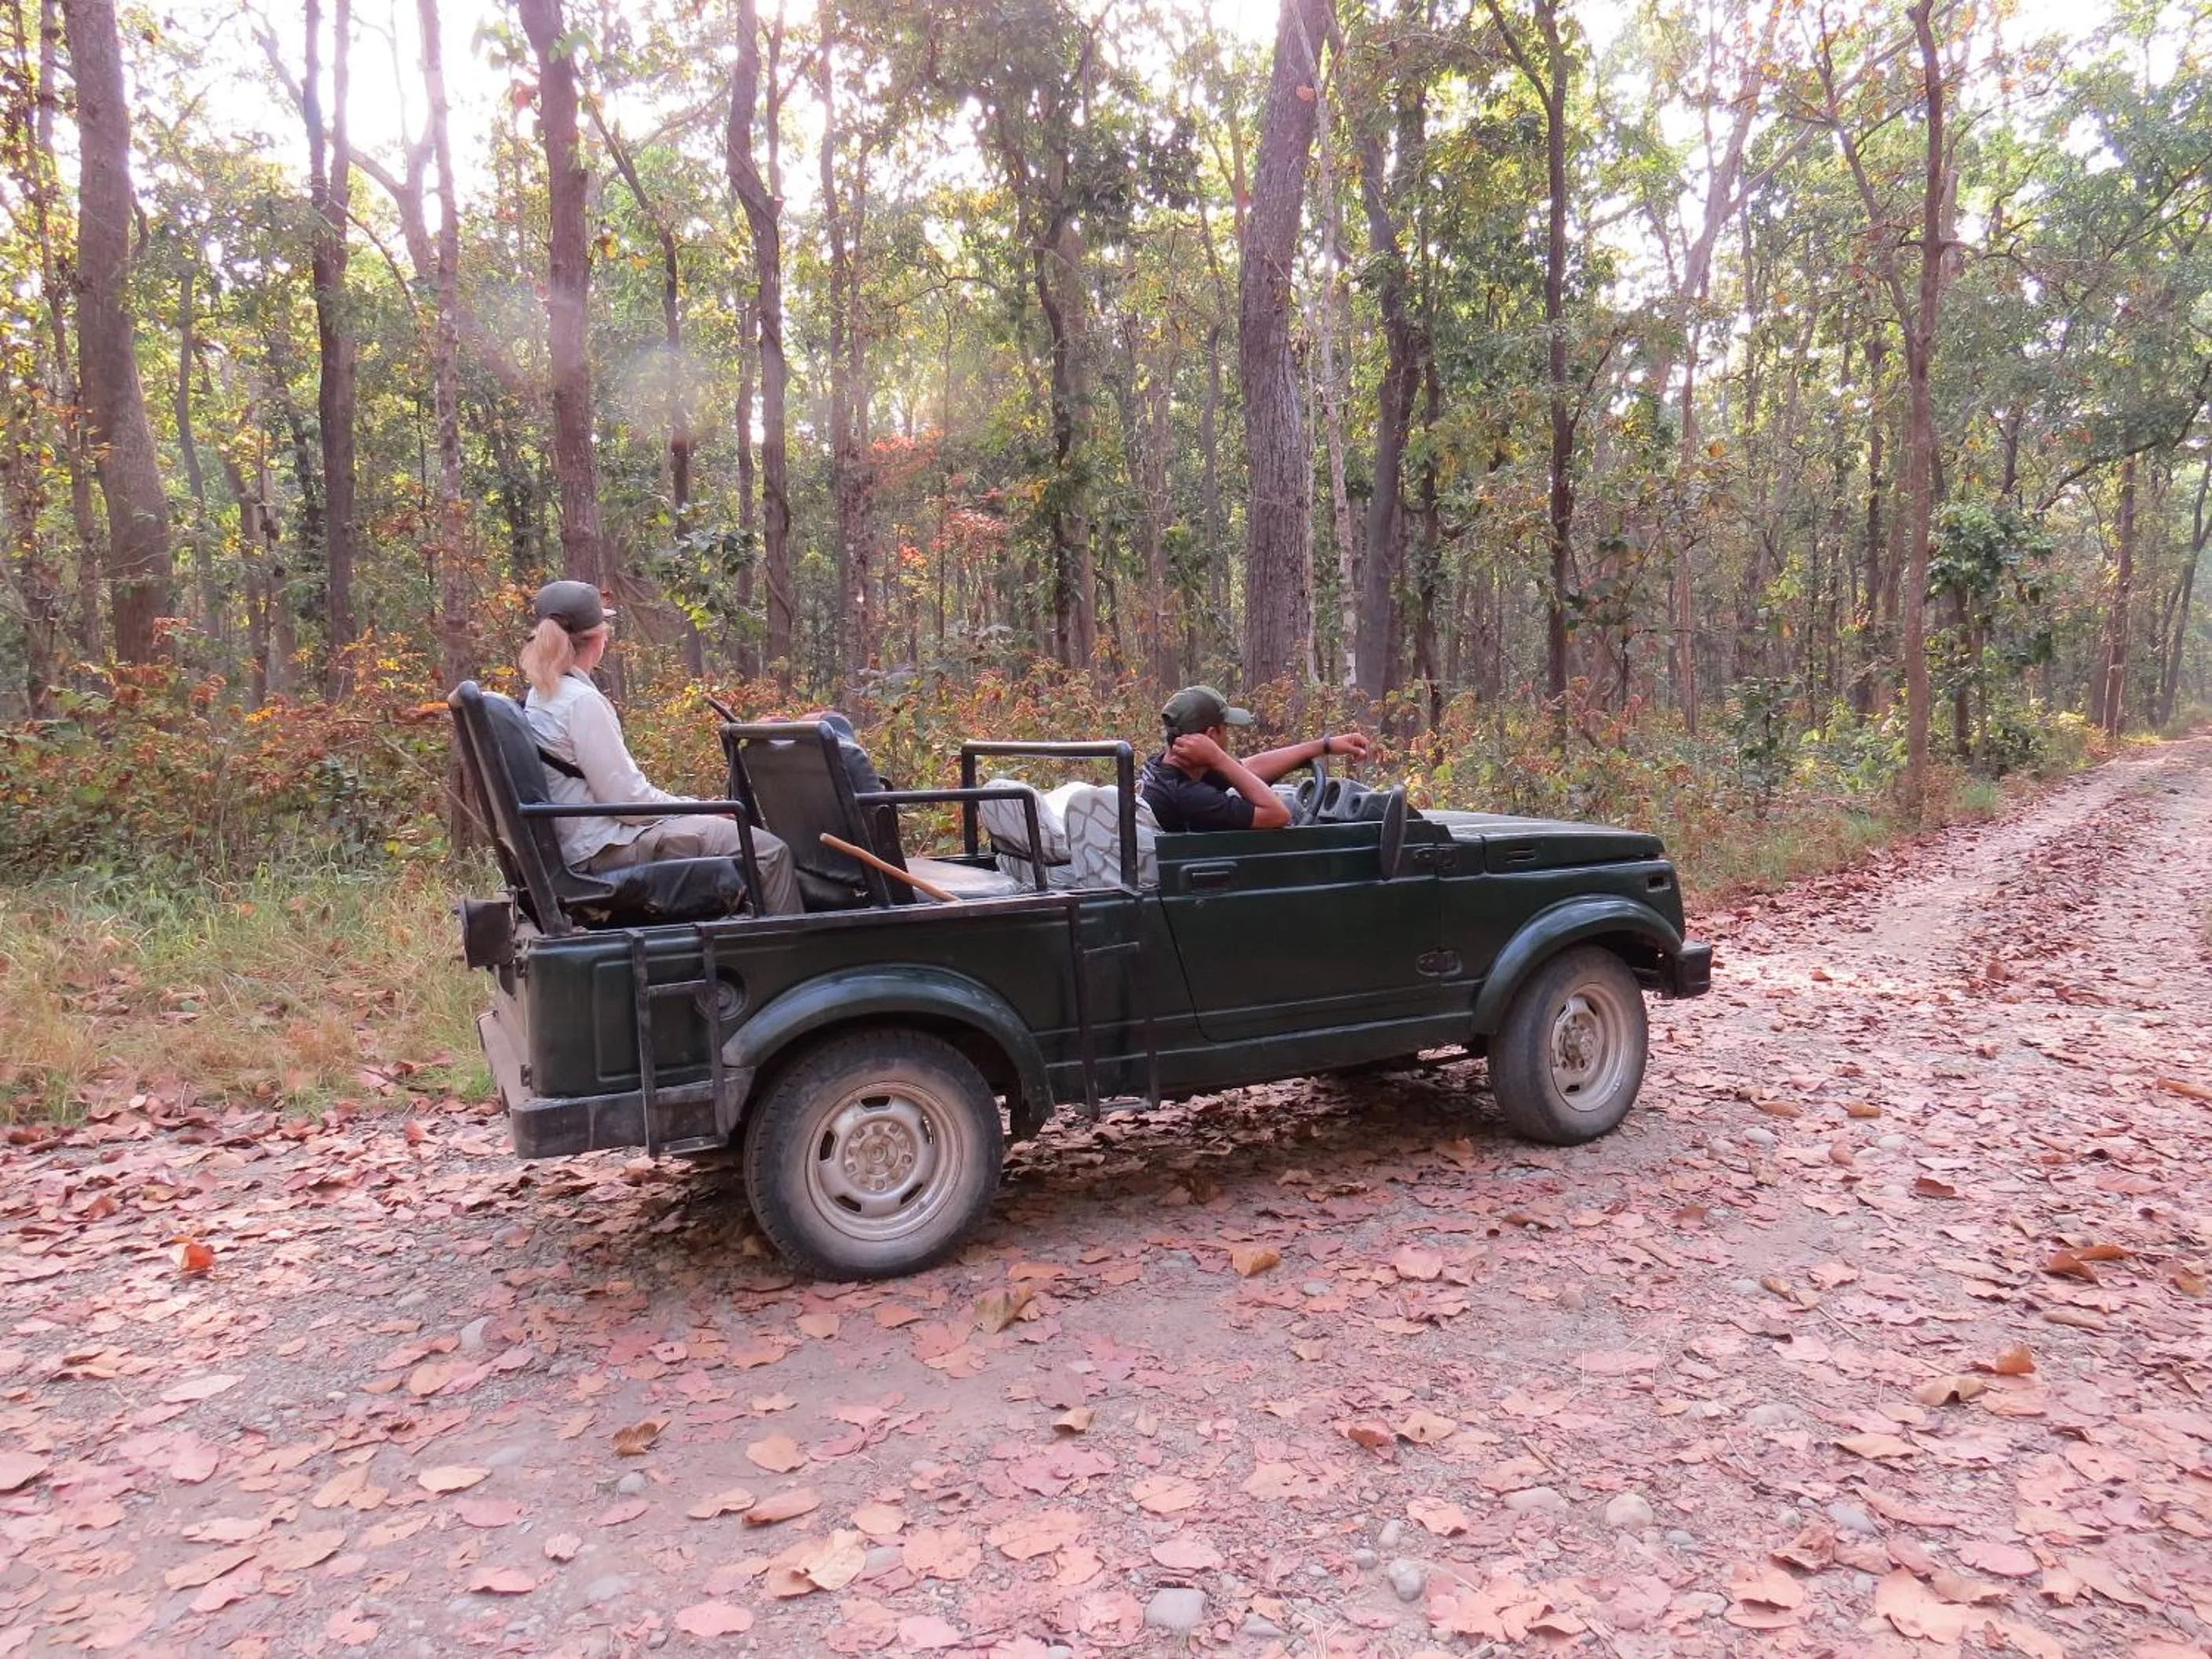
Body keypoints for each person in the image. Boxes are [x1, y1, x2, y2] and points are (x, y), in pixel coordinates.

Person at [519, 580, 804, 915]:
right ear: (598, 639)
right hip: (602, 848)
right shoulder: (581, 702)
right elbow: (629, 804)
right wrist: (698, 807)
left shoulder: (543, 695)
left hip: (583, 842)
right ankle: (789, 958)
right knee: (769, 852)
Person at [1138, 685, 1374, 833]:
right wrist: (1219, 758)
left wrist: (1324, 746)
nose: (1228, 736)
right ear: (1211, 735)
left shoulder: (1164, 767)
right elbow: (1279, 814)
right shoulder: (1188, 796)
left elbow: (1248, 769)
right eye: (1225, 729)